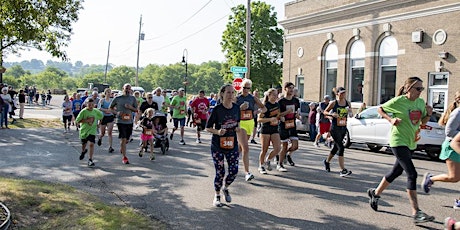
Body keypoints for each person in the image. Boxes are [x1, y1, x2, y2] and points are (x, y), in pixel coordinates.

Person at [367, 76, 435, 224]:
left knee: (396, 172)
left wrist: (428, 114)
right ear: (408, 88)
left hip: (411, 142)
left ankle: (375, 193)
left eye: (422, 89)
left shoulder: (420, 102)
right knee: (412, 173)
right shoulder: (398, 101)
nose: (420, 92)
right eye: (418, 89)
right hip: (398, 141)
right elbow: (380, 109)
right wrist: (390, 120)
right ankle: (416, 212)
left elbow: (422, 122)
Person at [206, 84, 241, 207]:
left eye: (233, 93)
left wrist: (237, 128)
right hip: (218, 146)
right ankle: (217, 195)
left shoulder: (237, 108)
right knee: (220, 172)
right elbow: (208, 127)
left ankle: (225, 188)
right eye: (228, 93)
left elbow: (238, 123)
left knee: (234, 171)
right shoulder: (217, 109)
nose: (231, 95)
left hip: (232, 144)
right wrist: (217, 132)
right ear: (222, 94)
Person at [421, 102, 460, 209]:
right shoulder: (458, 112)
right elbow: (449, 131)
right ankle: (431, 178)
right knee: (454, 177)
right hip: (453, 147)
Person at [236, 79, 266, 181]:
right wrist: (240, 108)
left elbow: (264, 108)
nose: (245, 90)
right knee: (246, 148)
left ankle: (234, 160)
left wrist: (257, 111)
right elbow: (231, 110)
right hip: (241, 124)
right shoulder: (237, 98)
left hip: (250, 123)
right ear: (241, 87)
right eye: (244, 87)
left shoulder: (253, 98)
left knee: (240, 147)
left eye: (248, 88)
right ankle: (247, 173)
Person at [322, 87, 353, 176]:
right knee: (341, 147)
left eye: (344, 93)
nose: (343, 95)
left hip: (343, 127)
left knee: (336, 147)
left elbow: (350, 114)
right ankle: (343, 169)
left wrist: (350, 112)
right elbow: (325, 112)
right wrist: (332, 114)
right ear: (337, 94)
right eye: (341, 93)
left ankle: (327, 161)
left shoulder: (347, 103)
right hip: (335, 128)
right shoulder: (334, 103)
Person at [109, 83, 138, 164]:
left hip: (129, 121)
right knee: (123, 138)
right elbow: (110, 108)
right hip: (120, 121)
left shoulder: (132, 98)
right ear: (123, 89)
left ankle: (123, 146)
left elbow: (136, 110)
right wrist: (117, 113)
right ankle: (124, 157)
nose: (128, 90)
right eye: (126, 88)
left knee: (127, 139)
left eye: (129, 89)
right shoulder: (117, 98)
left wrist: (130, 107)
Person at [276, 82, 300, 171]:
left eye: (292, 88)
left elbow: (297, 112)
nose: (291, 90)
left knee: (295, 146)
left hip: (292, 124)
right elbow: (277, 115)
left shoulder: (296, 101)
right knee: (284, 145)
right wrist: (286, 112)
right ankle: (280, 164)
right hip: (283, 125)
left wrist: (297, 115)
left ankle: (282, 154)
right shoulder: (281, 102)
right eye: (290, 88)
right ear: (285, 89)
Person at [257, 88, 281, 174]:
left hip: (274, 129)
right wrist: (269, 119)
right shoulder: (265, 106)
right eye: (273, 95)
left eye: (276, 95)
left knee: (278, 148)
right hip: (265, 129)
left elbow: (277, 115)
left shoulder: (277, 105)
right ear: (269, 95)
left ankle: (268, 160)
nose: (275, 96)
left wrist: (280, 117)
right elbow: (259, 119)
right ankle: (261, 165)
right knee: (264, 149)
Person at [75, 98, 103, 167]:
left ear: (94, 105)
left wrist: (99, 123)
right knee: (84, 144)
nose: (91, 106)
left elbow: (101, 116)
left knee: (91, 144)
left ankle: (90, 160)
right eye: (89, 105)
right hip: (84, 131)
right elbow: (77, 120)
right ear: (86, 104)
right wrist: (87, 120)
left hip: (92, 131)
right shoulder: (83, 111)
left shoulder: (96, 111)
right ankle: (83, 151)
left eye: (92, 105)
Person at [97, 88, 115, 153]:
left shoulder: (112, 100)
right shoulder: (102, 100)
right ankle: (100, 138)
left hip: (110, 117)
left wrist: (112, 110)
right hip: (103, 117)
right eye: (107, 92)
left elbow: (115, 108)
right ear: (105, 93)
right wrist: (106, 110)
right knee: (103, 133)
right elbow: (99, 108)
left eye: (110, 92)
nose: (109, 93)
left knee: (110, 133)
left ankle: (110, 147)